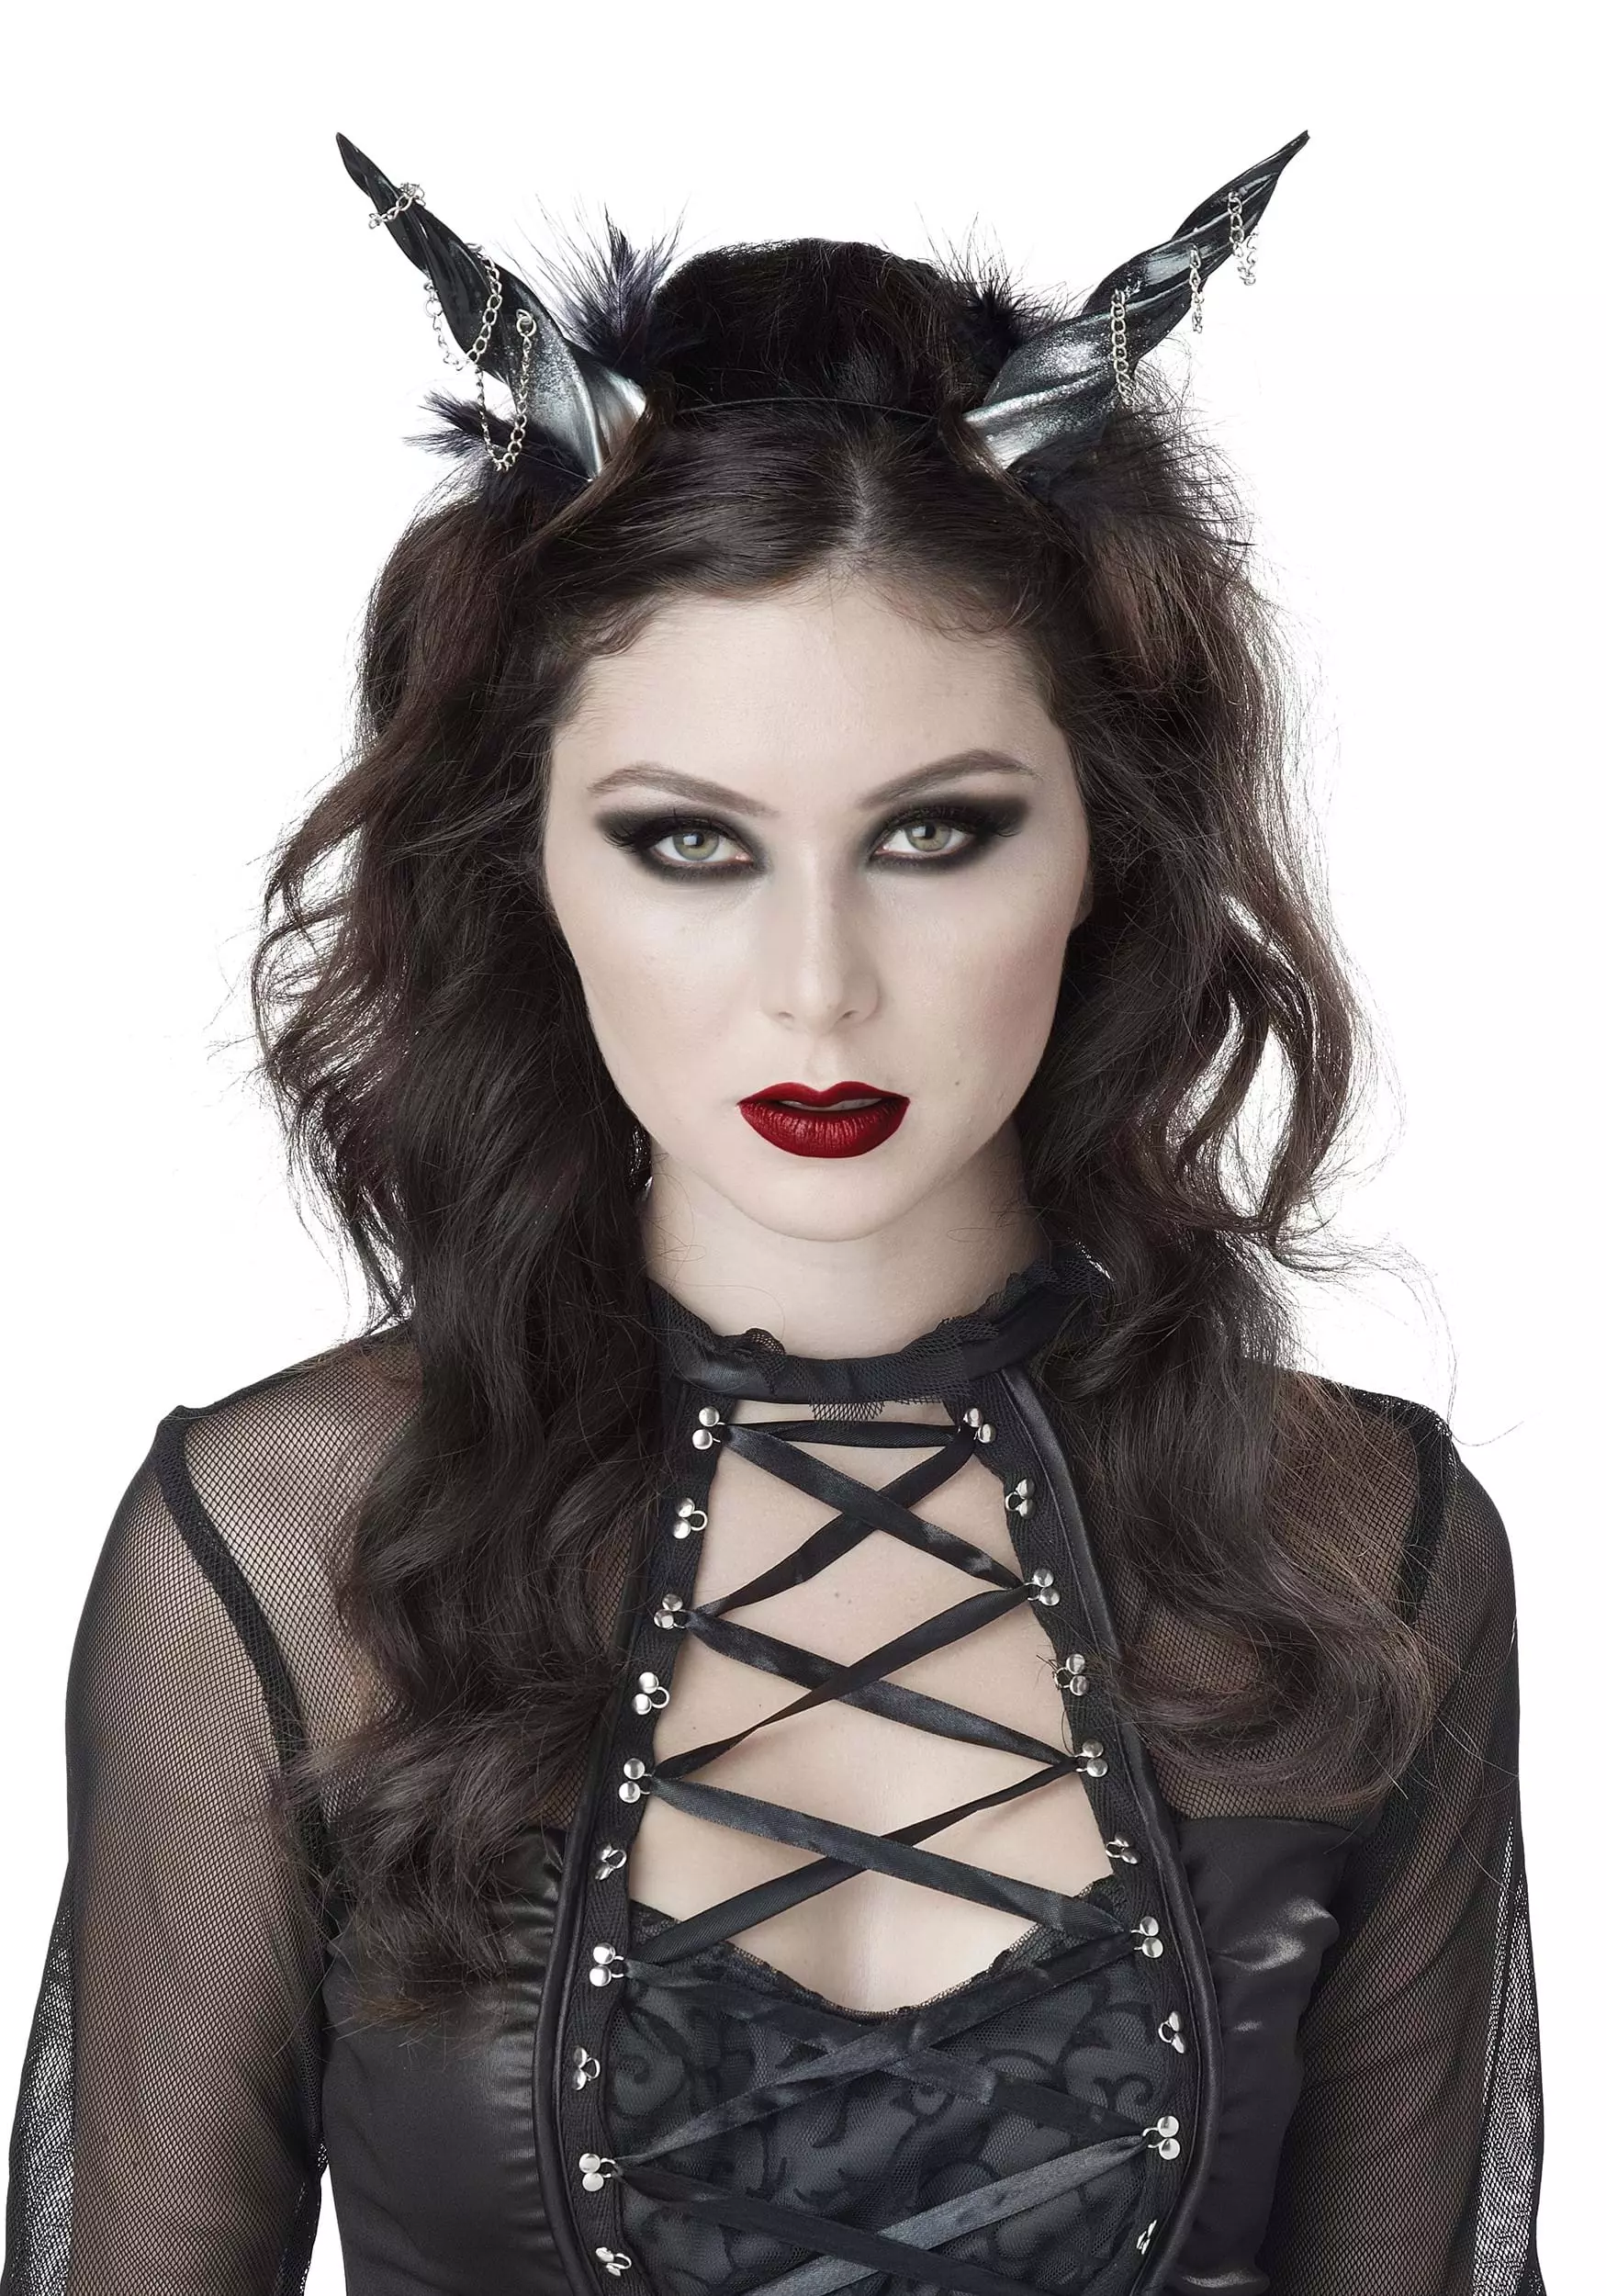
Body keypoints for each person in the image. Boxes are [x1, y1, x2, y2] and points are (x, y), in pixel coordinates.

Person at [0, 130, 1544, 2296]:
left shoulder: (1357, 1546)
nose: (816, 983)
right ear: (525, 864)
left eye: (934, 833)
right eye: (689, 842)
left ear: (1107, 844)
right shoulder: (280, 1550)